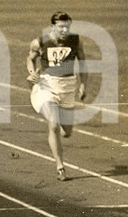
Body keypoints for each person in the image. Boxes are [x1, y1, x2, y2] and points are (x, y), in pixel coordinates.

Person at [27, 11, 88, 181]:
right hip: (47, 86)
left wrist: (83, 84)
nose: (64, 30)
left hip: (68, 87)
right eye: (61, 27)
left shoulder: (76, 41)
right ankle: (60, 166)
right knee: (53, 124)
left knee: (66, 132)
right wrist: (32, 73)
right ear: (53, 26)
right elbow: (30, 59)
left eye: (67, 27)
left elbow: (82, 64)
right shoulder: (40, 41)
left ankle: (61, 123)